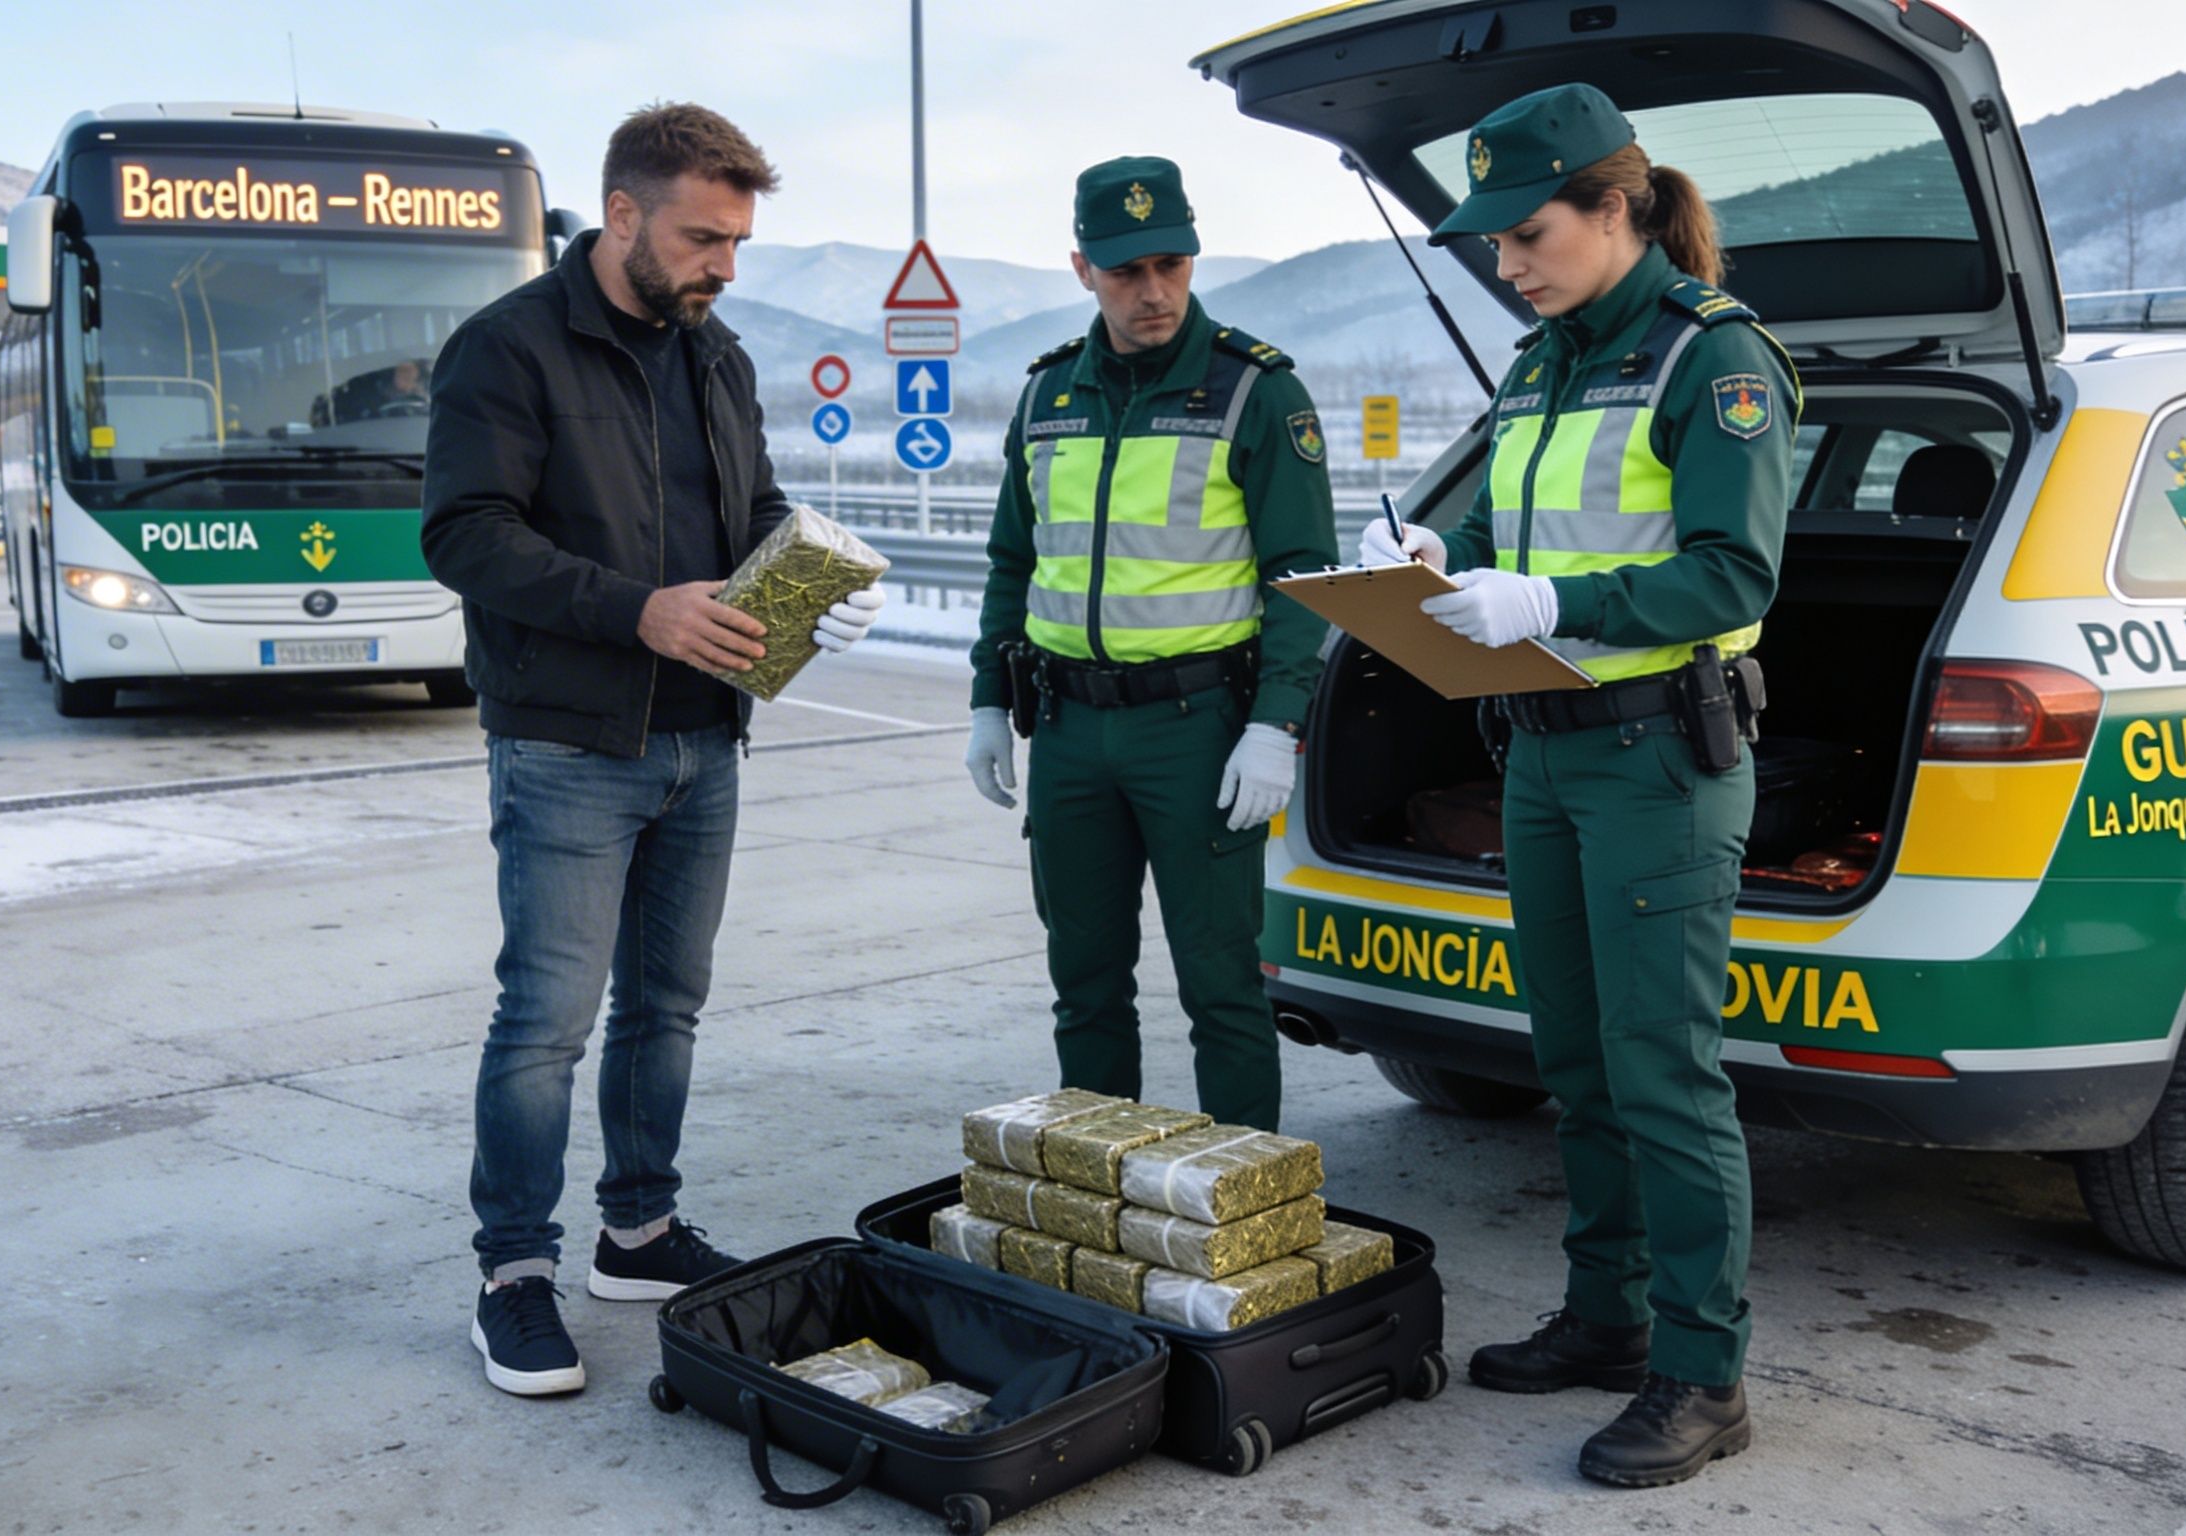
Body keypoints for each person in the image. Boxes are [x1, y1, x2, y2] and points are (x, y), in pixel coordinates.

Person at [1361, 83, 1797, 1487]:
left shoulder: (1710, 361)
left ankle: (1700, 1370)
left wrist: (1553, 596)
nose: (1507, 265)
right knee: (1574, 1058)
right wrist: (1446, 558)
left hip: (1654, 759)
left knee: (1662, 1073)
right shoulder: (1541, 359)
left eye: (1527, 234)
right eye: (1490, 245)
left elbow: (1732, 572)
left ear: (1617, 207)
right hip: (1542, 755)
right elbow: (1502, 512)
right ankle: (1607, 1318)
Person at [421, 102, 887, 1399]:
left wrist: (815, 569)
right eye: (702, 238)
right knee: (546, 1024)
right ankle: (514, 1274)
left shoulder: (714, 356)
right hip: (569, 744)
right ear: (620, 214)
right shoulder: (506, 352)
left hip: (704, 740)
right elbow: (464, 534)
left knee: (666, 1007)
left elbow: (753, 509)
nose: (722, 266)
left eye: (735, 242)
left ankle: (637, 1232)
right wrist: (638, 609)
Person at [965, 156, 1337, 1134]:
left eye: (1171, 263)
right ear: (1083, 266)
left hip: (1199, 730)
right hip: (1071, 732)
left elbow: (1302, 577)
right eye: (1128, 270)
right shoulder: (1048, 397)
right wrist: (984, 702)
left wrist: (1275, 725)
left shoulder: (1255, 390)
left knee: (1223, 988)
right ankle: (1105, 1209)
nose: (1154, 289)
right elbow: (1015, 560)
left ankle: (1250, 1215)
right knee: (1084, 985)